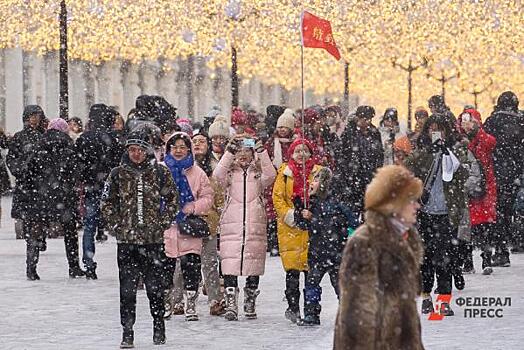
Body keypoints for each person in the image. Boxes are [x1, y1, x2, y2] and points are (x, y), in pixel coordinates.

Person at [100, 129, 178, 348]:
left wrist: (162, 222)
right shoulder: (117, 173)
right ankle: (127, 331)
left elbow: (173, 199)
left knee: (155, 288)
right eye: (132, 150)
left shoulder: (159, 173)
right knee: (127, 290)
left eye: (140, 150)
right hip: (127, 242)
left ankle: (158, 325)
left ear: (147, 151)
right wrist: (116, 225)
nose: (136, 154)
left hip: (152, 241)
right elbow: (106, 203)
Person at [334, 165, 424, 350]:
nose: (417, 206)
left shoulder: (405, 238)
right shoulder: (366, 242)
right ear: (393, 203)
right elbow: (357, 317)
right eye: (411, 200)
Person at [406, 114, 469, 316]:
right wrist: (428, 155)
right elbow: (407, 172)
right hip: (424, 213)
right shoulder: (422, 153)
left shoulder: (455, 152)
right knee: (425, 257)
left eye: (441, 129)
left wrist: (447, 154)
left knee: (445, 258)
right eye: (433, 129)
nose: (437, 133)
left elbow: (464, 176)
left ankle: (444, 299)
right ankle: (426, 296)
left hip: (446, 214)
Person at [213, 134, 276, 321]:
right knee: (230, 263)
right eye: (238, 151)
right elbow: (217, 175)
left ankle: (250, 296)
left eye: (246, 151)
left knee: (253, 262)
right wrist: (228, 152)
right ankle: (231, 300)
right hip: (232, 223)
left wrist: (261, 151)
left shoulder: (258, 175)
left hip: (254, 222)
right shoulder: (230, 175)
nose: (242, 155)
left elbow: (271, 174)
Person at [164, 131, 226, 317]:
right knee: (178, 264)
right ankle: (175, 301)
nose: (179, 150)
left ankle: (214, 300)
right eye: (175, 147)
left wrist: (193, 208)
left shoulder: (210, 168)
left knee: (208, 262)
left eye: (184, 146)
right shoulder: (164, 168)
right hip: (174, 224)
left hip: (202, 222)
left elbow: (212, 196)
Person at [21, 118, 85, 280]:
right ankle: (74, 267)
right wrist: (67, 186)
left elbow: (27, 172)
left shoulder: (38, 146)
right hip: (63, 197)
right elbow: (76, 172)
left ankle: (31, 268)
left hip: (40, 196)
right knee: (70, 232)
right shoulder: (69, 147)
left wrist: (33, 189)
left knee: (36, 231)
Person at [297, 168, 357, 326]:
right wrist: (302, 214)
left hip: (336, 252)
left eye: (316, 180)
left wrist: (314, 219)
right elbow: (303, 225)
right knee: (311, 284)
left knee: (340, 286)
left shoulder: (336, 202)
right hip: (316, 253)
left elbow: (349, 222)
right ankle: (311, 313)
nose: (311, 183)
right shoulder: (311, 202)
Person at [272, 138, 322, 323]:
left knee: (312, 274)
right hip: (290, 230)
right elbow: (278, 199)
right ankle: (293, 308)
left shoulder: (318, 173)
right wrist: (292, 215)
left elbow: (324, 196)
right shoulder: (284, 173)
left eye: (305, 150)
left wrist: (312, 214)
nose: (301, 154)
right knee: (292, 272)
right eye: (297, 151)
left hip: (311, 230)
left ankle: (311, 309)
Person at [76, 103, 120, 279]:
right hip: (112, 187)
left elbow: (78, 164)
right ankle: (126, 263)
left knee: (89, 227)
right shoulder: (115, 138)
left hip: (92, 187)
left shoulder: (84, 138)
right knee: (120, 226)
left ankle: (89, 263)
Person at [484, 91, 524, 258]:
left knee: (498, 210)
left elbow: (485, 142)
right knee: (509, 210)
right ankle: (512, 241)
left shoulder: (493, 120)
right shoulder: (521, 120)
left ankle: (501, 249)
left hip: (497, 170)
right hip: (516, 171)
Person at [457, 109, 497, 275]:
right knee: (467, 225)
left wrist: (477, 132)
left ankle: (486, 258)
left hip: (485, 187)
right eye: (464, 120)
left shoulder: (483, 138)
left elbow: (491, 143)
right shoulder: (459, 140)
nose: (466, 124)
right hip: (466, 186)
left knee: (485, 224)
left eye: (470, 120)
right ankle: (467, 261)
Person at [334, 105, 384, 222]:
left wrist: (375, 171)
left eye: (369, 119)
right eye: (364, 119)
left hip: (369, 177)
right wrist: (347, 172)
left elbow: (379, 155)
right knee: (352, 212)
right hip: (351, 178)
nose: (366, 122)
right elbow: (341, 155)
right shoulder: (349, 133)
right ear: (358, 118)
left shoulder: (374, 133)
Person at [7, 105, 45, 248]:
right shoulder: (19, 137)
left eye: (37, 116)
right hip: (24, 180)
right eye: (32, 116)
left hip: (40, 181)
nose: (34, 119)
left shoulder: (42, 137)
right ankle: (29, 234)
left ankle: (39, 236)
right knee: (25, 210)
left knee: (39, 211)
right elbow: (11, 158)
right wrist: (19, 170)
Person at [264, 108, 296, 256]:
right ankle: (274, 242)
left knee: (289, 208)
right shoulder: (271, 142)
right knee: (273, 210)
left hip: (291, 178)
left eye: (285, 127)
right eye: (280, 127)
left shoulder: (295, 142)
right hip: (275, 179)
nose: (282, 130)